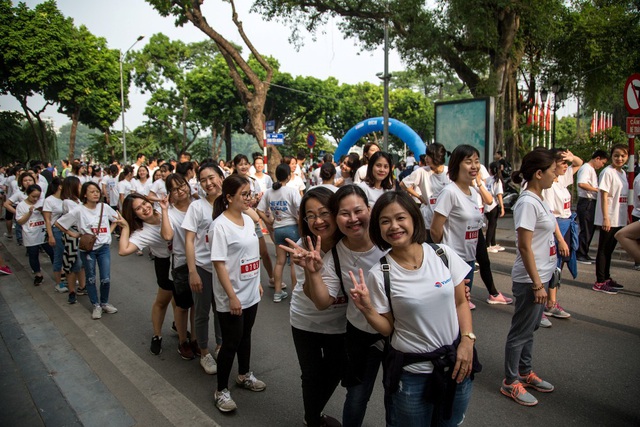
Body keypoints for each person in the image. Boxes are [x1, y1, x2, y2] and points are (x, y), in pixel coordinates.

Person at [349, 191, 476, 426]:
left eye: (400, 218)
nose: (394, 226)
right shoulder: (380, 274)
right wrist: (367, 309)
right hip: (411, 375)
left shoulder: (442, 254)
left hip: (456, 364)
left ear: (414, 219)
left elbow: (461, 302)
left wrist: (467, 342)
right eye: (385, 221)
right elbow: (387, 329)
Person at [300, 185, 391, 427]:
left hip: (399, 335)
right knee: (357, 397)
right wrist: (314, 273)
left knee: (397, 396)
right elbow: (322, 302)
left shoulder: (389, 239)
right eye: (344, 213)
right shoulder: (335, 256)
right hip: (361, 336)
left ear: (369, 210)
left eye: (358, 211)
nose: (353, 219)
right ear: (337, 218)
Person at [501, 148, 568, 406]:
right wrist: (538, 284)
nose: (556, 175)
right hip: (531, 280)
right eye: (552, 171)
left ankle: (525, 372)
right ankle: (510, 381)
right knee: (521, 331)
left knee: (530, 328)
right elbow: (525, 246)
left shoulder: (539, 197)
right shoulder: (527, 202)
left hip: (542, 275)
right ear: (539, 174)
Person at [280, 187, 345, 427]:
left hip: (339, 324)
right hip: (305, 320)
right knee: (311, 375)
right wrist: (310, 270)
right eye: (310, 215)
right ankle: (313, 419)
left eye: (324, 212)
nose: (318, 221)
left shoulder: (349, 243)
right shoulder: (301, 246)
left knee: (335, 372)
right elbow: (311, 295)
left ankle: (313, 413)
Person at [209, 174, 266, 413]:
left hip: (251, 291)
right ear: (229, 197)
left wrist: (258, 281)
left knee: (246, 335)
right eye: (244, 194)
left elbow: (253, 255)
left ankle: (244, 375)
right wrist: (232, 296)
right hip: (232, 297)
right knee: (230, 342)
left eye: (250, 193)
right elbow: (220, 264)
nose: (249, 198)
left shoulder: (247, 219)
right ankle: (221, 390)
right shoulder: (220, 226)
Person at [431, 145, 492, 310]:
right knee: (450, 309)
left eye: (477, 161)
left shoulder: (473, 192)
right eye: (468, 162)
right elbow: (435, 230)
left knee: (461, 307)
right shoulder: (449, 192)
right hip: (451, 262)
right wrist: (446, 254)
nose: (474, 166)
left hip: (469, 261)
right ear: (457, 164)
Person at [115, 193, 175, 356]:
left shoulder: (165, 209)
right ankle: (157, 335)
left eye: (144, 203)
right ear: (134, 214)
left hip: (182, 260)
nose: (144, 208)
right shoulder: (142, 232)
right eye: (138, 209)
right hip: (165, 264)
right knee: (162, 301)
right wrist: (126, 227)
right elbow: (123, 250)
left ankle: (179, 327)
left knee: (181, 301)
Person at [182, 162, 225, 374]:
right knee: (201, 312)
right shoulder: (196, 207)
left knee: (221, 310)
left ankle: (220, 346)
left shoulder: (230, 203)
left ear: (221, 177)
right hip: (202, 267)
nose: (208, 183)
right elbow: (189, 240)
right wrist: (192, 272)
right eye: (203, 180)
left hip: (224, 270)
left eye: (212, 177)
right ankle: (204, 351)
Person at [56, 182, 120, 319]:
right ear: (85, 194)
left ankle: (104, 303)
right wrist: (73, 234)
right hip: (88, 249)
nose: (96, 193)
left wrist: (109, 231)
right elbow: (59, 223)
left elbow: (117, 219)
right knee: (90, 278)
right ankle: (95, 305)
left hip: (104, 248)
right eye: (92, 191)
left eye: (97, 191)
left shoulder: (104, 207)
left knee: (105, 278)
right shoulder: (78, 210)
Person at [540, 149, 583, 324]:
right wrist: (560, 239)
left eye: (567, 163)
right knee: (547, 267)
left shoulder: (561, 179)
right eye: (562, 163)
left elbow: (579, 163)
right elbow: (551, 216)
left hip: (566, 226)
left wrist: (571, 157)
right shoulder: (548, 186)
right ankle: (539, 307)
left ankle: (551, 303)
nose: (566, 166)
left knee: (557, 268)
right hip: (555, 229)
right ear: (552, 164)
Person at [161, 173, 198, 360]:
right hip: (181, 264)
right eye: (174, 189)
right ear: (170, 193)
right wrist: (165, 211)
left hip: (202, 262)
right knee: (183, 306)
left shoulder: (197, 204)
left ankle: (195, 339)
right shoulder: (172, 213)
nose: (180, 190)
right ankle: (183, 341)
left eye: (182, 185)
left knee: (196, 305)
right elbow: (167, 236)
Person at [257, 163, 301, 302]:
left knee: (280, 262)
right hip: (292, 228)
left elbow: (259, 210)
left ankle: (277, 292)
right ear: (288, 176)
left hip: (278, 229)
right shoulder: (292, 191)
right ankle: (295, 293)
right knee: (294, 263)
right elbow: (300, 209)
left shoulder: (269, 192)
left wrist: (269, 222)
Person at [234, 154, 275, 287]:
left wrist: (255, 200)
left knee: (264, 252)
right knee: (243, 254)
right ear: (235, 166)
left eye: (246, 163)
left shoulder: (253, 181)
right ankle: (247, 283)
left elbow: (258, 201)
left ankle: (273, 278)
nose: (244, 166)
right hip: (238, 221)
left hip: (253, 220)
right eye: (240, 164)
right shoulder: (232, 181)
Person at [593, 144, 629, 294]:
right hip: (609, 217)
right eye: (616, 155)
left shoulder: (622, 173)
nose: (619, 158)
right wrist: (606, 218)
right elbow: (604, 195)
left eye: (623, 156)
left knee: (609, 250)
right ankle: (600, 281)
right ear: (611, 156)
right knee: (603, 249)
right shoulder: (607, 172)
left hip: (619, 217)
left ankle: (607, 278)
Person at [401, 143, 450, 239]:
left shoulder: (449, 172)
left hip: (447, 222)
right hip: (428, 221)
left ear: (437, 157)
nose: (426, 158)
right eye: (426, 155)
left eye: (429, 156)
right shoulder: (422, 171)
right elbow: (403, 184)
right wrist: (419, 196)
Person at [16, 184, 54, 286]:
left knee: (52, 252)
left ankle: (59, 272)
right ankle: (38, 274)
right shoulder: (21, 206)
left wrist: (42, 211)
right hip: (30, 234)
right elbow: (20, 221)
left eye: (37, 196)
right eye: (33, 196)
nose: (35, 199)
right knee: (33, 254)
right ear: (28, 194)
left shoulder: (43, 203)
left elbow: (49, 217)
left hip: (43, 232)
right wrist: (29, 212)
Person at [576, 150, 609, 264]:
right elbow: (582, 183)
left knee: (590, 229)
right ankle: (580, 253)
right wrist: (597, 190)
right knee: (586, 229)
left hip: (591, 202)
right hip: (587, 202)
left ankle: (584, 252)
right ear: (597, 158)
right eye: (602, 163)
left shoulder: (591, 170)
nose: (602, 166)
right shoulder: (586, 168)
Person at [59, 176, 86, 304]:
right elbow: (73, 218)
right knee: (72, 263)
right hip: (72, 236)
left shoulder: (79, 201)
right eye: (79, 185)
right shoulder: (68, 202)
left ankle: (82, 286)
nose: (81, 187)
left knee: (81, 263)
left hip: (81, 234)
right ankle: (71, 291)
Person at [42, 177, 68, 293]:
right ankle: (59, 283)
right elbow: (47, 220)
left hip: (68, 230)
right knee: (58, 256)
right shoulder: (49, 200)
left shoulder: (66, 199)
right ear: (60, 186)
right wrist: (50, 235)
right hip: (56, 230)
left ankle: (70, 278)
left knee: (69, 255)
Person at [485, 162, 505, 253]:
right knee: (492, 225)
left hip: (486, 204)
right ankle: (487, 244)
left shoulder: (488, 179)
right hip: (493, 205)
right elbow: (499, 195)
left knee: (492, 224)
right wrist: (502, 207)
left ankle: (493, 243)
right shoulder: (497, 180)